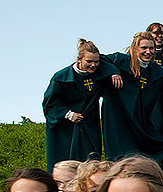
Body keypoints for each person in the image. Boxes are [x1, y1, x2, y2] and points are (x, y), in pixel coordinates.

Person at [101, 31, 163, 168]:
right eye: (144, 48)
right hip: (119, 122)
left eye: (151, 48)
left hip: (141, 122)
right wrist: (113, 71)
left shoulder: (156, 70)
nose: (148, 52)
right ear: (135, 48)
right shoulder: (120, 60)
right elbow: (99, 60)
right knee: (122, 159)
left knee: (160, 146)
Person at [43, 38, 121, 170]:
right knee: (65, 166)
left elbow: (110, 61)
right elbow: (49, 103)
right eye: (89, 61)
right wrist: (68, 114)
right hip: (66, 128)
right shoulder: (61, 77)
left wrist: (114, 72)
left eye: (96, 62)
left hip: (89, 126)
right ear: (79, 59)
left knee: (90, 164)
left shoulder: (99, 74)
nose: (93, 65)